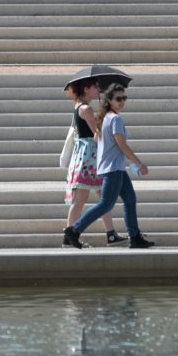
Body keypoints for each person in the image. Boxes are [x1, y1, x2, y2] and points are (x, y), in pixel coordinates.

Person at [63, 83, 155, 249]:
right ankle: (74, 230)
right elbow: (122, 145)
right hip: (113, 168)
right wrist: (139, 163)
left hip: (114, 167)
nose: (121, 102)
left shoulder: (105, 117)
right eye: (118, 99)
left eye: (124, 98)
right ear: (110, 101)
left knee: (130, 199)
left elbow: (100, 139)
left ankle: (134, 236)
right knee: (106, 204)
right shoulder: (115, 119)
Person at [64, 78, 128, 247]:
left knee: (102, 198)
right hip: (90, 159)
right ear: (86, 89)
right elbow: (97, 135)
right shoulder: (86, 109)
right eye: (95, 87)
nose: (98, 89)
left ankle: (110, 234)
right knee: (84, 199)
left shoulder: (79, 106)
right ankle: (70, 235)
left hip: (87, 158)